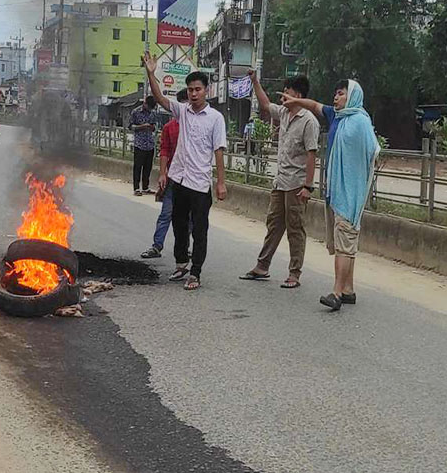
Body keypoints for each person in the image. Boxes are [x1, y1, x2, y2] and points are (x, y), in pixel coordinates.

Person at [282, 80, 380, 311]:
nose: (336, 98)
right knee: (345, 242)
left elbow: (373, 151)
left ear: (352, 96)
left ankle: (336, 292)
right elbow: (315, 105)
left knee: (344, 242)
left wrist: (353, 173)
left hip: (350, 191)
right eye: (335, 94)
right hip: (338, 189)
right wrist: (295, 101)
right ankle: (348, 289)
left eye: (341, 94)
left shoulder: (360, 121)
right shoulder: (339, 116)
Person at [143, 54, 227, 291]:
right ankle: (181, 264)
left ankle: (195, 273)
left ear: (206, 91)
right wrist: (151, 73)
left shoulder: (216, 118)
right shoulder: (182, 111)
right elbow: (160, 98)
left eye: (198, 89)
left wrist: (221, 183)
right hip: (179, 179)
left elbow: (219, 151)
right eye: (190, 90)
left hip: (200, 183)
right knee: (178, 225)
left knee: (199, 230)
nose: (193, 94)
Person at [240, 74, 319, 288]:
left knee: (295, 229)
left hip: (297, 184)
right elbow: (265, 105)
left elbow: (312, 155)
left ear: (298, 95)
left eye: (287, 91)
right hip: (281, 181)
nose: (283, 95)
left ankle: (294, 273)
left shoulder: (309, 121)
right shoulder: (283, 113)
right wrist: (255, 82)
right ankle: (262, 266)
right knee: (274, 224)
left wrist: (308, 186)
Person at [142, 89, 186, 259]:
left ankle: (184, 247)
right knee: (166, 213)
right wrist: (162, 173)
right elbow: (165, 150)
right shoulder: (169, 127)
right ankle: (157, 246)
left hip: (191, 179)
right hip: (173, 177)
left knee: (188, 216)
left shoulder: (198, 126)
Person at [129, 96, 158, 195]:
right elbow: (130, 126)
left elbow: (155, 127)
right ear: (145, 103)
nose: (149, 109)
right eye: (148, 107)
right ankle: (136, 188)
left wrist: (152, 127)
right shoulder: (135, 112)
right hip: (139, 144)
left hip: (150, 143)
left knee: (148, 167)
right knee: (138, 167)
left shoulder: (153, 113)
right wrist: (142, 126)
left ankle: (145, 187)